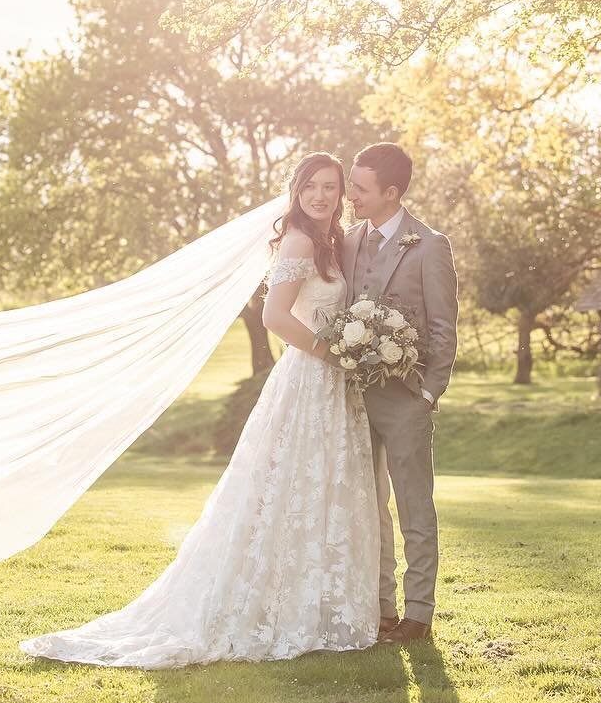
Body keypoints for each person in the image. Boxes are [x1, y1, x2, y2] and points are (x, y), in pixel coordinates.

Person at [19, 152, 381, 667]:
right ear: (296, 194)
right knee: (284, 488)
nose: (320, 196)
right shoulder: (299, 241)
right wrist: (334, 351)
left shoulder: (332, 243)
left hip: (334, 384)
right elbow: (275, 316)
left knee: (321, 486)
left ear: (341, 192)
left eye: (330, 186)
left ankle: (317, 604)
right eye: (310, 188)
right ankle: (265, 607)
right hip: (307, 378)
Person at [341, 142, 459, 643]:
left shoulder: (429, 245)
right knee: (368, 507)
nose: (350, 195)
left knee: (414, 506)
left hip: (408, 398)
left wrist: (429, 393)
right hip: (351, 398)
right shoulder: (347, 242)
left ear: (391, 192)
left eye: (359, 187)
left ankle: (419, 614)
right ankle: (380, 607)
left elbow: (442, 328)